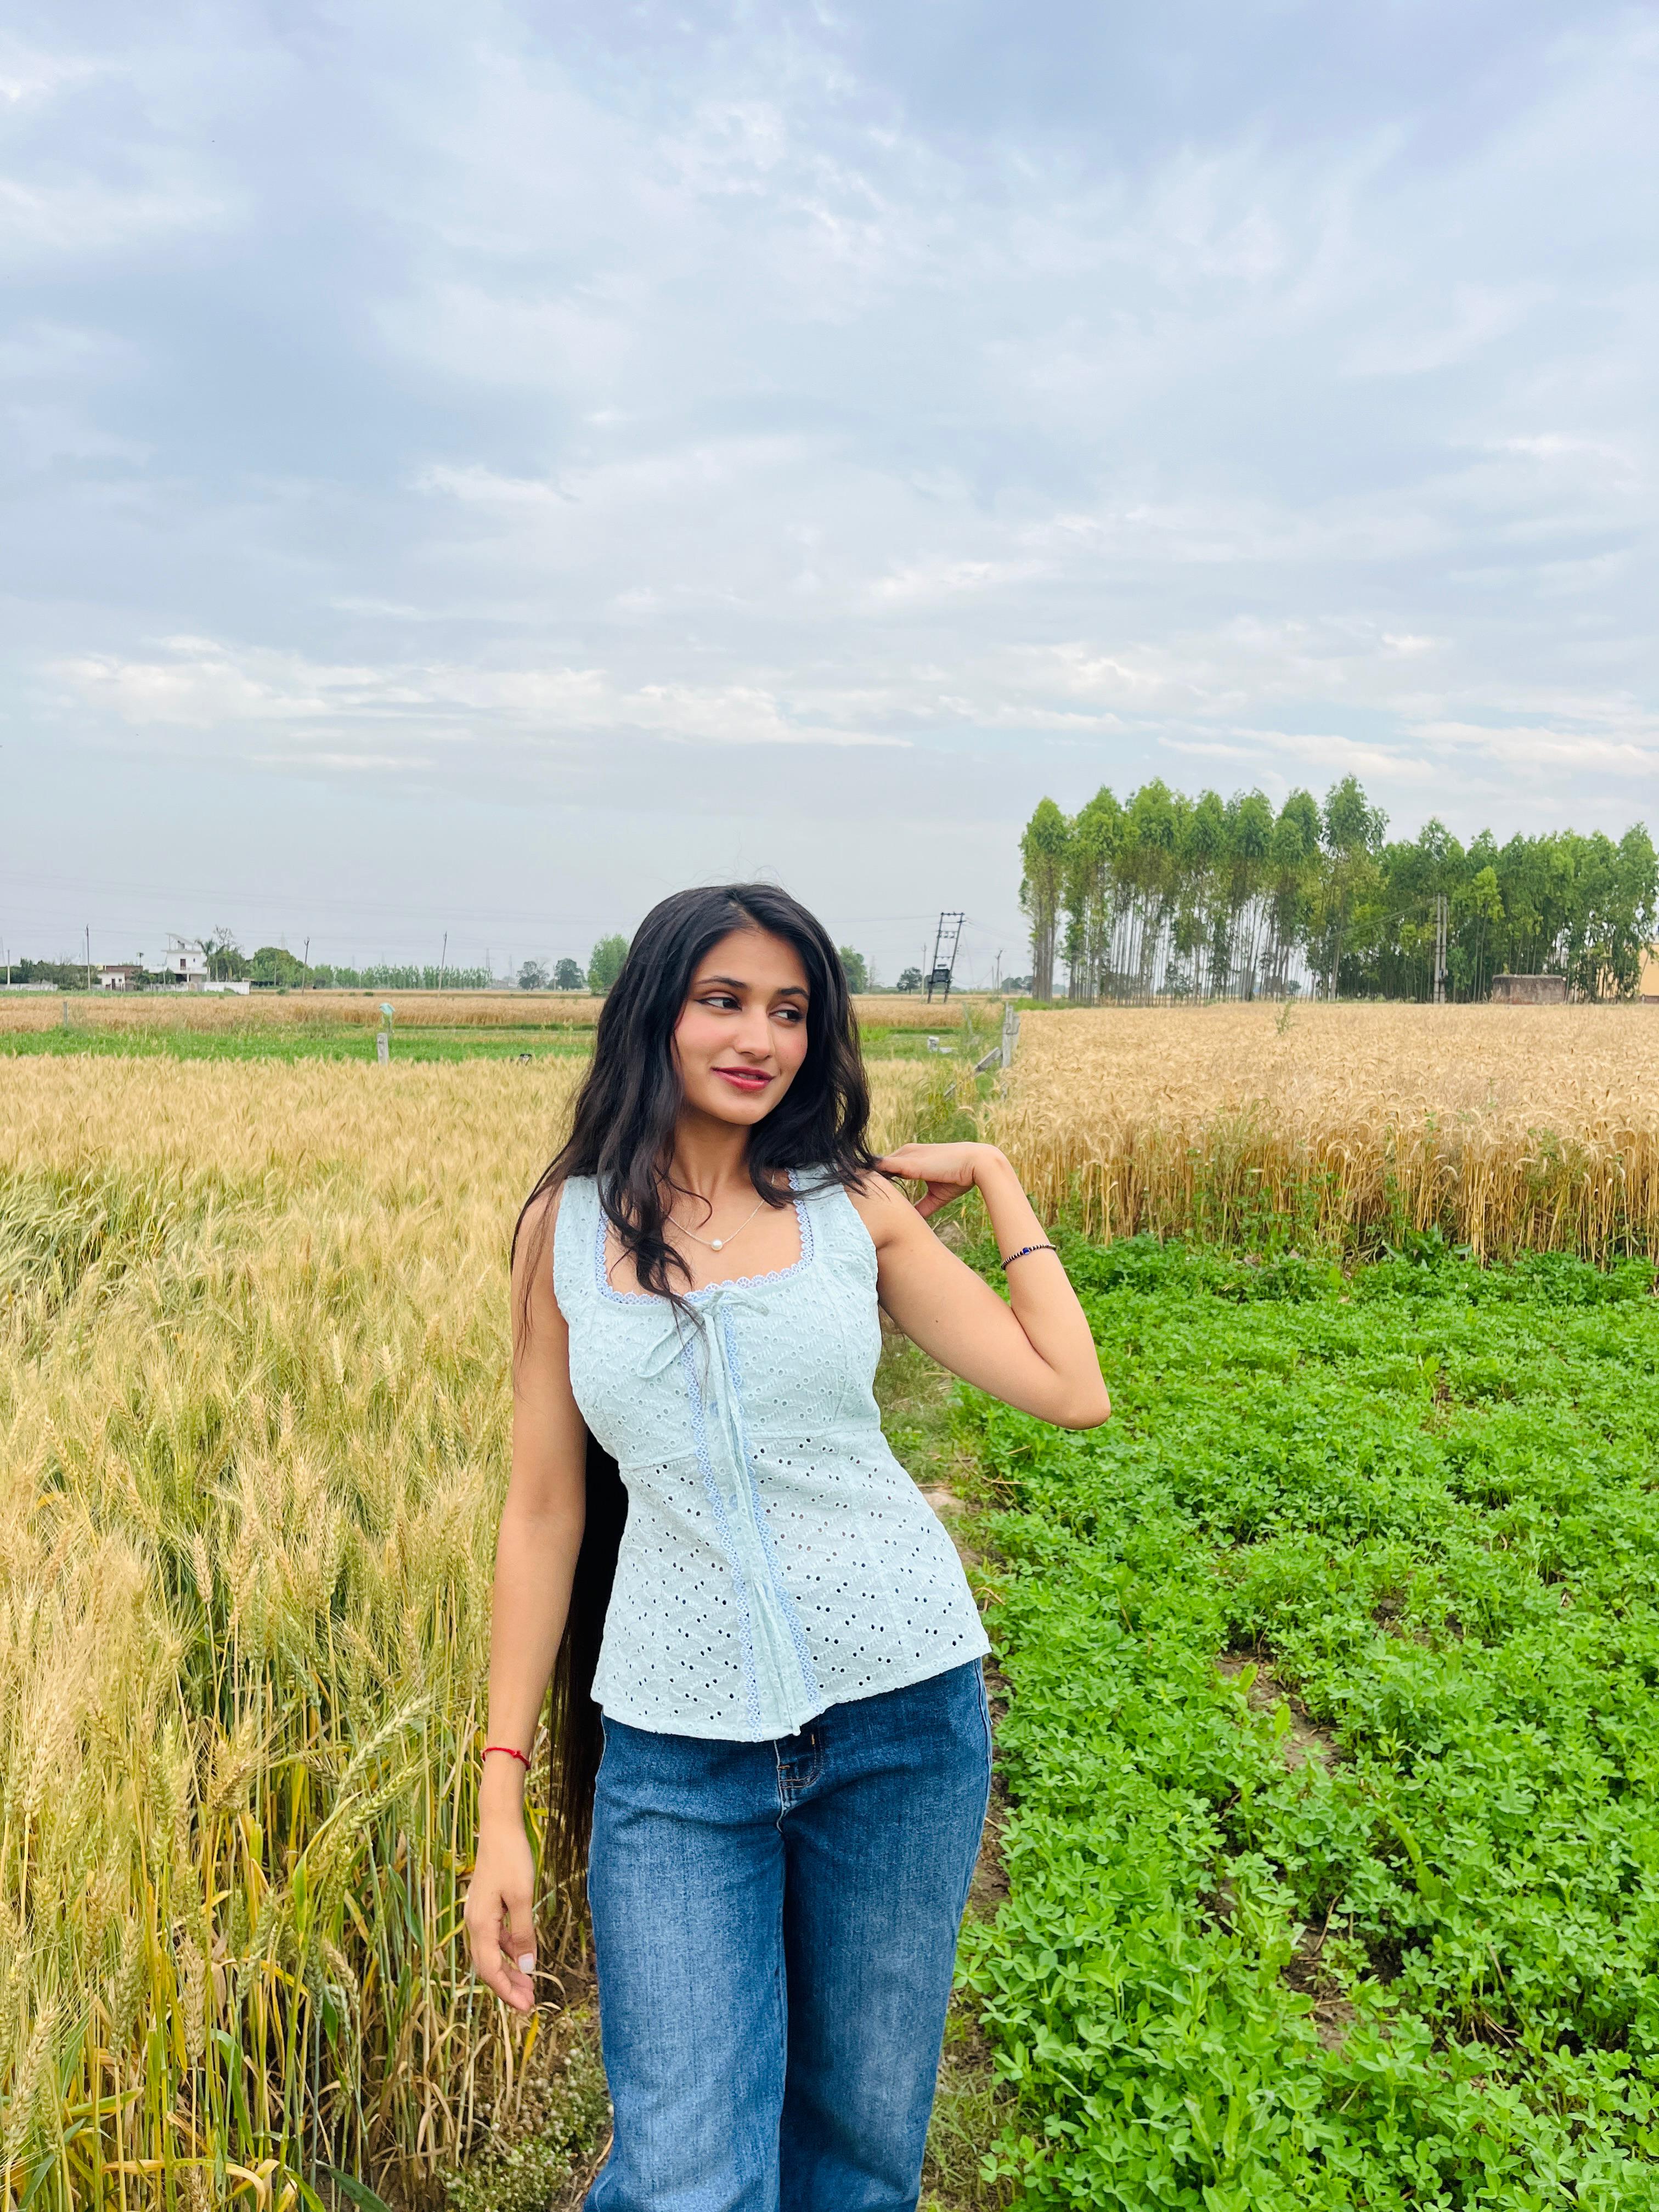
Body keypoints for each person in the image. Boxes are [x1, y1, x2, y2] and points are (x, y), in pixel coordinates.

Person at [464, 883, 1109, 2212]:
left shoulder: (848, 1209)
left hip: (902, 1720)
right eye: (724, 1000)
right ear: (657, 1012)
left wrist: (998, 1183)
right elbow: (542, 1508)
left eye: (791, 1010)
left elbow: (1067, 1386)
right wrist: (499, 1793)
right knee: (688, 2175)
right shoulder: (563, 1233)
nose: (759, 1037)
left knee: (858, 2153)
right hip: (674, 1752)